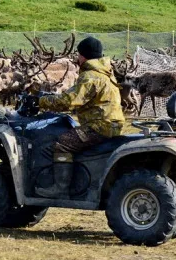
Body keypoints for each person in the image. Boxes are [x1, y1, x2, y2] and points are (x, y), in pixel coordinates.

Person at [34, 36, 125, 198]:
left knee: (62, 144)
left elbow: (70, 101)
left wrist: (42, 100)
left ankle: (60, 188)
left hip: (98, 127)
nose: (77, 58)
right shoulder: (105, 73)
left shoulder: (90, 75)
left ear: (83, 56)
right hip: (112, 124)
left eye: (79, 54)